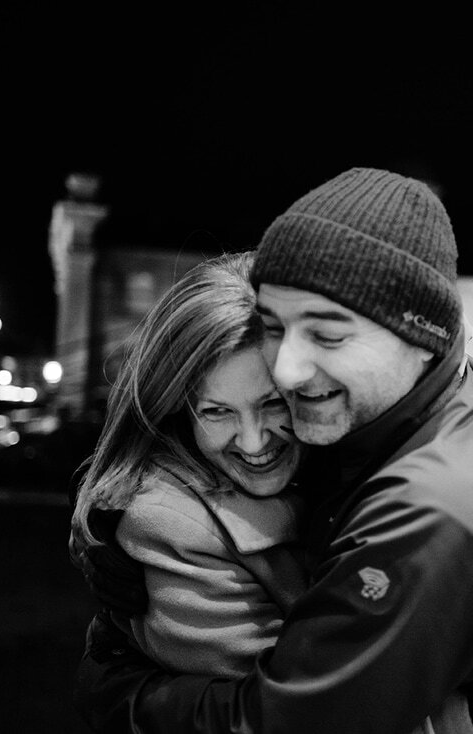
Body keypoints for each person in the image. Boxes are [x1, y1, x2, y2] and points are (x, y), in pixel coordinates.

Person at [73, 167, 473, 733]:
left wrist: (123, 694)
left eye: (328, 335)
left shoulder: (427, 510)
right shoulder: (417, 405)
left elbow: (293, 720)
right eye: (282, 327)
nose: (293, 368)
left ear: (417, 337)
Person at [70, 251, 309, 677]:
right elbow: (314, 700)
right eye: (217, 412)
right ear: (179, 409)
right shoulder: (170, 528)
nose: (254, 441)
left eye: (274, 403)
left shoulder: (366, 461)